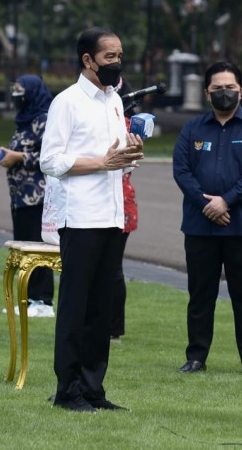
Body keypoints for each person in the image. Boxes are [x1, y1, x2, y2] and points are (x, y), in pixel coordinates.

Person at [40, 26, 144, 412]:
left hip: (112, 214)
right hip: (81, 217)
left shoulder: (114, 101)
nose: (117, 63)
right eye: (110, 57)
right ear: (88, 60)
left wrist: (130, 151)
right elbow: (49, 160)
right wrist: (102, 162)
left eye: (120, 56)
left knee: (101, 308)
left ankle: (93, 389)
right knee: (75, 306)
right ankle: (68, 390)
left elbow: (113, 155)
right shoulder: (67, 102)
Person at [172, 61, 242, 377]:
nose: (224, 93)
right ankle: (196, 357)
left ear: (241, 91)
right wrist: (207, 204)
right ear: (206, 93)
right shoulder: (193, 129)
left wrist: (226, 201)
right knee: (200, 294)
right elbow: (182, 170)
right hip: (200, 226)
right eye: (217, 88)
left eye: (230, 87)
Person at [0, 74, 55, 317]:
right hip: (19, 196)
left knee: (38, 248)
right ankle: (27, 298)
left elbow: (50, 158)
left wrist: (18, 157)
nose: (17, 94)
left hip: (37, 197)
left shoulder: (45, 121)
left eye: (21, 90)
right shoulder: (24, 121)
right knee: (23, 248)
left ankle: (43, 300)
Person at [110, 76, 139, 341]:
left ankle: (114, 328)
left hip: (119, 201)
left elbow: (127, 164)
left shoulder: (126, 125)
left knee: (112, 267)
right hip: (99, 201)